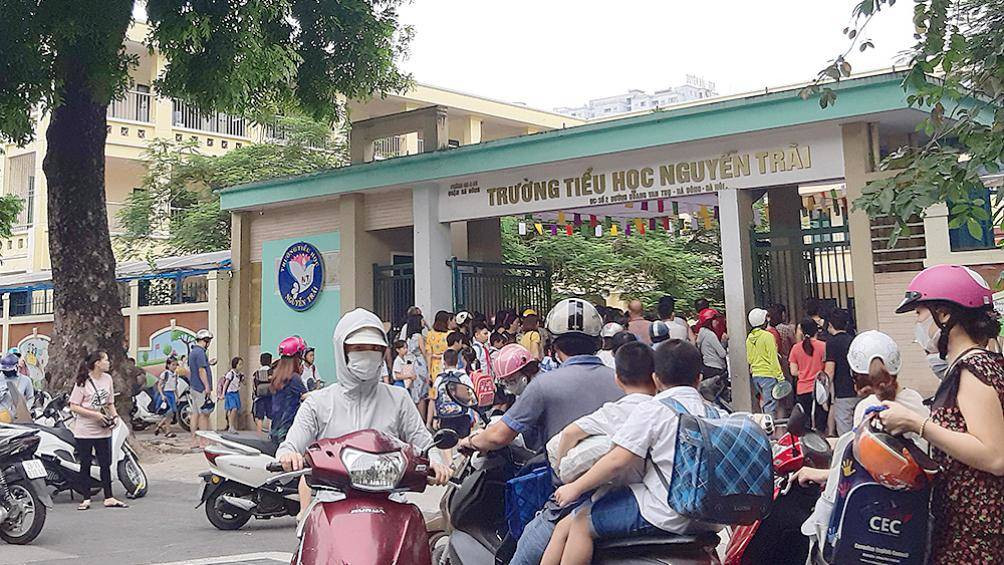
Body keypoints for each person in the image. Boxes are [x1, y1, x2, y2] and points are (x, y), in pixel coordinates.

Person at [459, 299, 624, 565]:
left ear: (554, 344)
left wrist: (468, 440)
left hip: (569, 500)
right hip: (622, 496)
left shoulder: (545, 385)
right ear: (597, 341)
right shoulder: (621, 381)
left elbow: (498, 436)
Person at [547, 340, 723, 565]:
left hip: (667, 513)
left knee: (581, 522)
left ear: (656, 378)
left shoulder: (654, 409)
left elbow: (617, 460)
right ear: (699, 378)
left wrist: (574, 487)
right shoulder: (715, 413)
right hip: (711, 519)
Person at [873, 265, 1004, 564]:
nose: (918, 324)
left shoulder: (974, 368)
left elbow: (996, 456)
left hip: (975, 538)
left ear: (944, 314)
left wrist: (916, 423)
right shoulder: (972, 366)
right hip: (962, 528)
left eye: (920, 314)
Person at [276, 308, 451, 486]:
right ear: (342, 350)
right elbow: (290, 445)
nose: (368, 354)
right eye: (358, 348)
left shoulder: (399, 399)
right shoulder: (317, 403)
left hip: (392, 499)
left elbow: (424, 443)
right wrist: (288, 456)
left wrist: (436, 462)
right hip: (332, 500)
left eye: (375, 348)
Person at [550, 341, 657, 477]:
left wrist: (560, 470)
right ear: (656, 378)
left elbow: (569, 433)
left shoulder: (614, 412)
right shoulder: (666, 409)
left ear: (617, 379)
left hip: (616, 487)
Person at [69, 350, 128, 510]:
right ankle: (86, 498)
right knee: (86, 464)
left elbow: (110, 403)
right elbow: (73, 406)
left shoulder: (108, 379)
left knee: (105, 463)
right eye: (106, 360)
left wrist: (114, 417)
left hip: (103, 430)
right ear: (97, 363)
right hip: (85, 430)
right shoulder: (83, 381)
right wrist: (94, 415)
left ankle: (109, 496)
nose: (108, 363)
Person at [433, 349, 475, 459]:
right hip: (462, 414)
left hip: (445, 415)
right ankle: (463, 463)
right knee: (463, 440)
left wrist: (434, 418)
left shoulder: (439, 379)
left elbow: (433, 397)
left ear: (444, 362)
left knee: (447, 442)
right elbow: (472, 395)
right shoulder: (463, 377)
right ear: (457, 361)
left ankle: (450, 465)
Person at [788, 318, 826, 429]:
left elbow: (793, 372)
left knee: (806, 422)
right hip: (819, 389)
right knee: (819, 422)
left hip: (802, 389)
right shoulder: (823, 346)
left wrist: (803, 373)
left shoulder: (795, 348)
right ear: (816, 330)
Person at [824, 308, 857, 435]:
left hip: (843, 392)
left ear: (830, 324)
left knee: (846, 433)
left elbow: (830, 371)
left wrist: (825, 394)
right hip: (858, 389)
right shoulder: (854, 340)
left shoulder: (832, 343)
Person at [747, 308, 784, 416]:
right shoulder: (767, 336)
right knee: (770, 407)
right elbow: (773, 358)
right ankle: (769, 431)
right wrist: (780, 377)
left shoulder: (749, 338)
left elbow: (749, 358)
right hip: (768, 375)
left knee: (764, 403)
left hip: (756, 376)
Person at [188, 329, 214, 449]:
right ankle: (203, 440)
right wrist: (207, 386)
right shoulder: (200, 353)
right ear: (206, 341)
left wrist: (209, 363)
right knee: (204, 414)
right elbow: (201, 370)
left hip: (194, 386)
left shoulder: (193, 352)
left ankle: (193, 439)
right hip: (200, 388)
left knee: (195, 414)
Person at [695, 309, 728, 379]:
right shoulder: (711, 335)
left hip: (707, 367)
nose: (717, 322)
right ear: (709, 321)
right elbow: (722, 354)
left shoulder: (701, 333)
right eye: (715, 320)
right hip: (716, 368)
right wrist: (724, 342)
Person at [154, 356, 179, 437]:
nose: (174, 366)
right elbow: (159, 385)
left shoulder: (175, 374)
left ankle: (159, 426)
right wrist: (162, 395)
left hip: (172, 394)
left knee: (171, 413)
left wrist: (177, 396)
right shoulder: (165, 374)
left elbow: (175, 386)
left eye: (176, 365)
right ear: (168, 365)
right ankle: (168, 431)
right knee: (169, 412)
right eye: (173, 364)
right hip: (166, 394)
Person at [252, 352, 273, 433]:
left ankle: (259, 433)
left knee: (260, 416)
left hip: (259, 397)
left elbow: (254, 385)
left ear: (261, 361)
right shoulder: (271, 371)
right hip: (270, 396)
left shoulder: (256, 373)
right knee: (270, 416)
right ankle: (270, 433)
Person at [221, 357, 244, 433]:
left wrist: (243, 378)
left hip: (236, 393)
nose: (241, 366)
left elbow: (244, 383)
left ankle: (231, 426)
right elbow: (225, 384)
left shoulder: (239, 375)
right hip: (230, 393)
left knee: (234, 410)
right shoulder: (230, 374)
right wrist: (223, 394)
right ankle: (231, 426)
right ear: (235, 364)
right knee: (233, 409)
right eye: (239, 364)